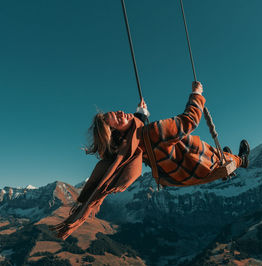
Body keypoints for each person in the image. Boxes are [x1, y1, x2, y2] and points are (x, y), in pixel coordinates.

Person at [51, 81, 250, 240]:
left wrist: (139, 114)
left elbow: (136, 137)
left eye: (117, 113)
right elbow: (189, 121)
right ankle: (242, 160)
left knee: (219, 156)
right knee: (225, 160)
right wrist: (197, 94)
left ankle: (228, 160)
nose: (121, 113)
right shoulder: (152, 132)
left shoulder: (131, 148)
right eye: (118, 120)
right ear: (119, 134)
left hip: (178, 177)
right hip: (198, 162)